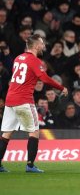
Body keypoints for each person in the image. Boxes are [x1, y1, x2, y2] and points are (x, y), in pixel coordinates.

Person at [0, 34, 68, 173]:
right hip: (23, 100)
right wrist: (61, 87)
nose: (43, 46)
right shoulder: (34, 60)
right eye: (42, 44)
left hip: (10, 99)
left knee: (6, 134)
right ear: (36, 45)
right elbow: (44, 78)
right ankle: (30, 165)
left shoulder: (19, 58)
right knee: (34, 132)